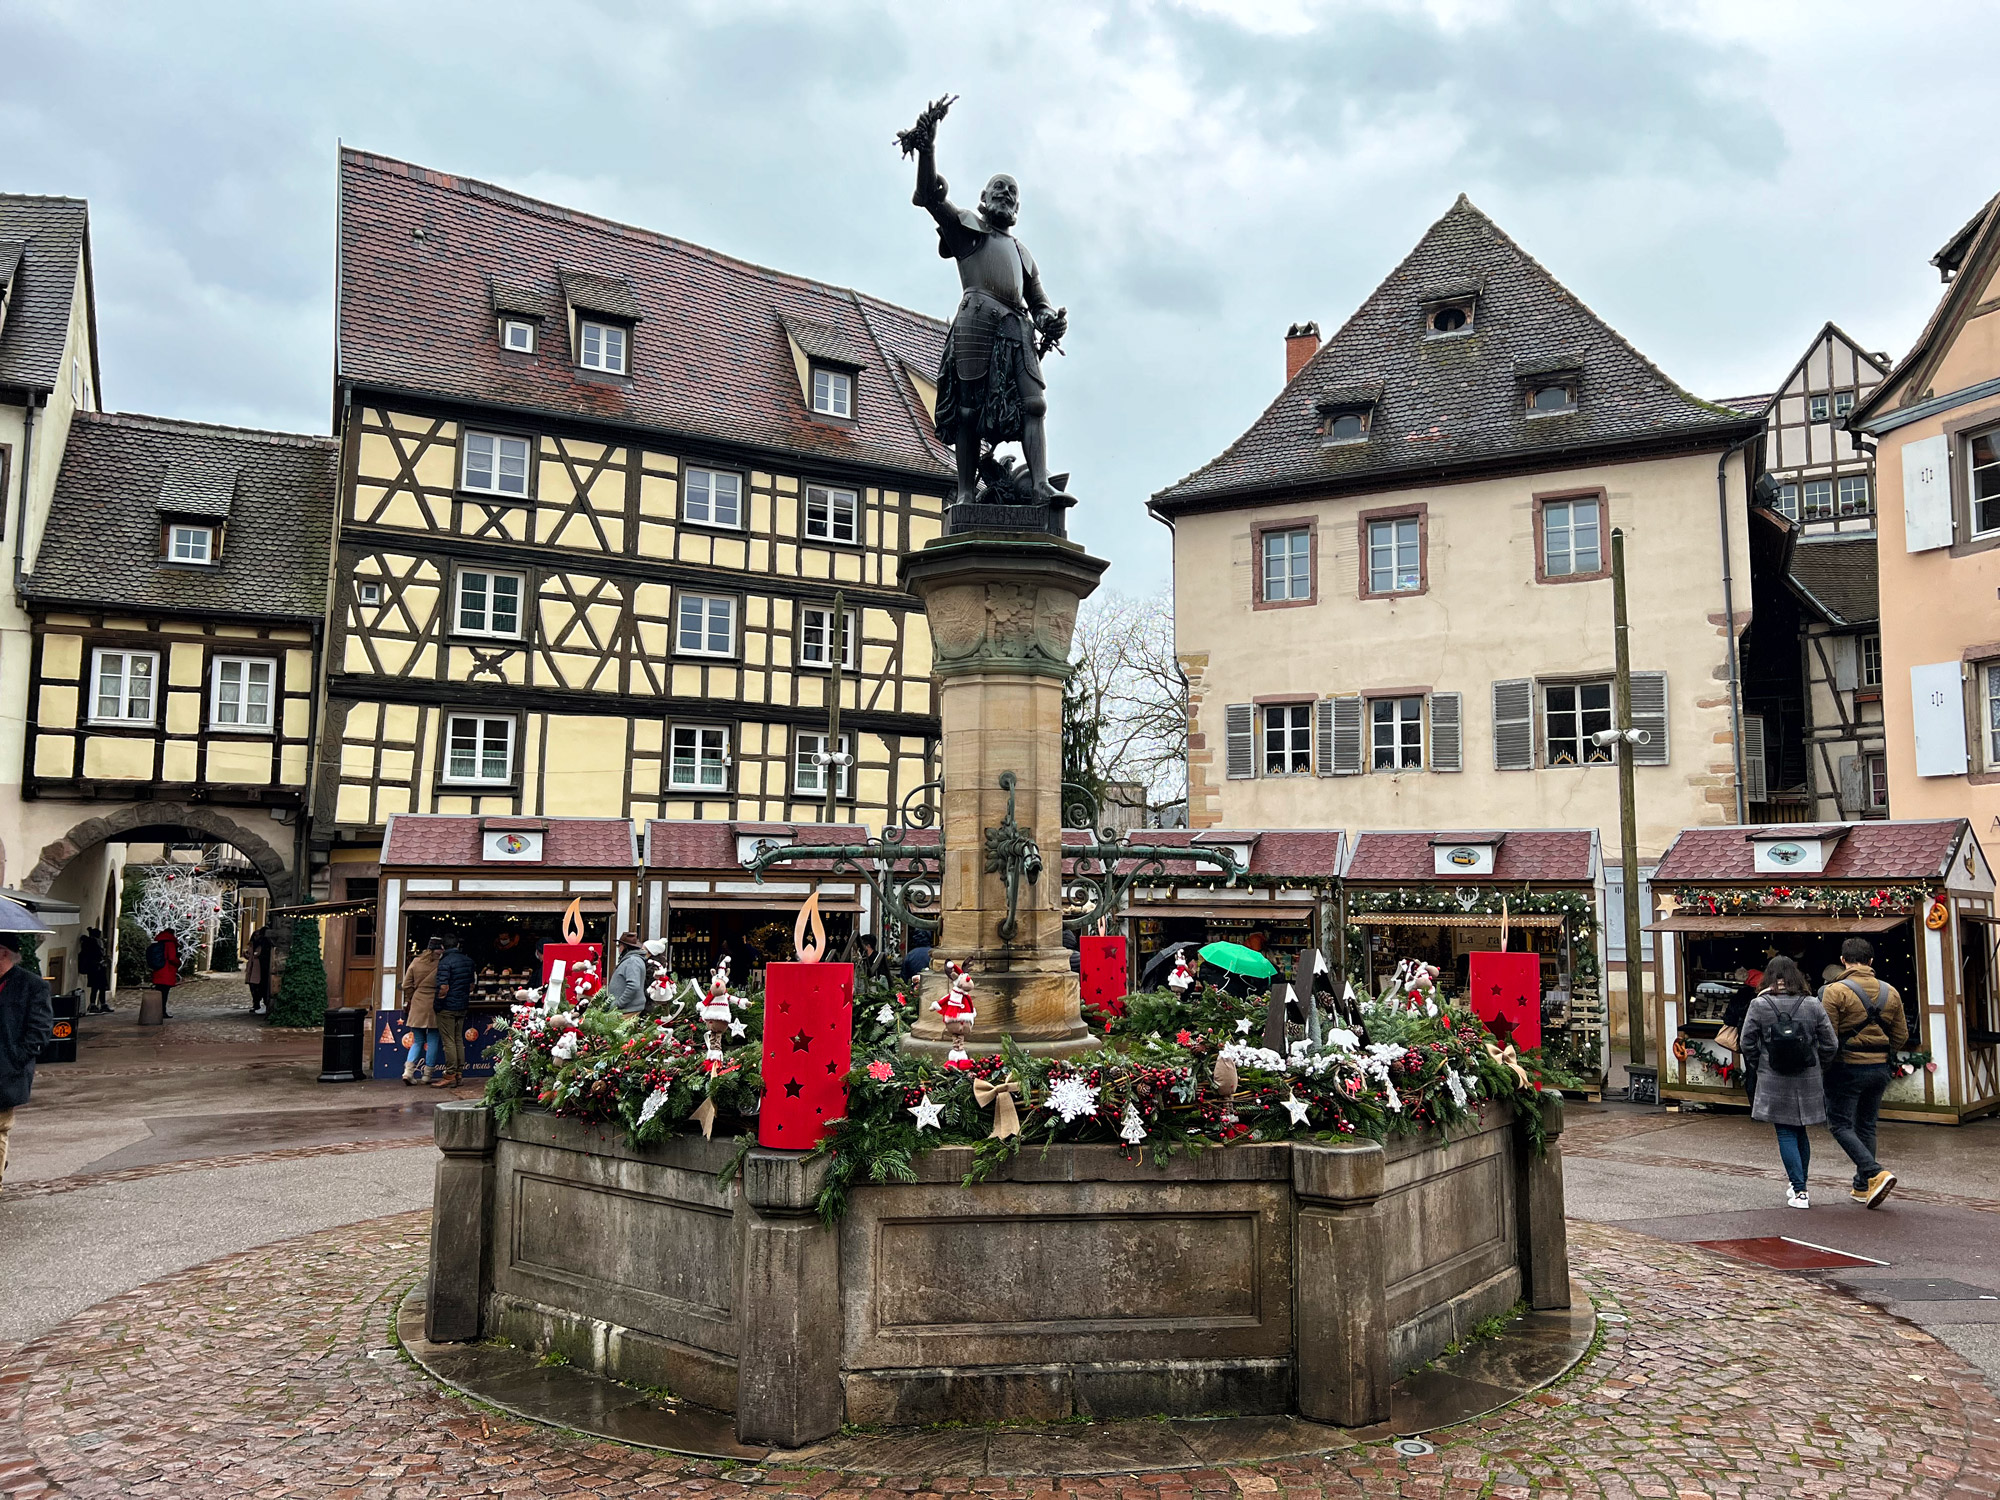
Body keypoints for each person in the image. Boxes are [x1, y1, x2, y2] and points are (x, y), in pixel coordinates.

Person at [1737, 956, 1837, 1208]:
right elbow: (1830, 1043)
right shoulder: (1812, 1004)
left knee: (1785, 1129)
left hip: (1773, 1076)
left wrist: (1758, 1064)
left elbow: (1746, 1042)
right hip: (1807, 1075)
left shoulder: (1759, 1004)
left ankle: (1800, 1190)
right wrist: (1819, 1064)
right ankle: (1799, 1183)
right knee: (1800, 1128)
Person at [1820, 937, 1907, 1207]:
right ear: (1871, 961)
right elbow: (1901, 1035)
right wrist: (1881, 1051)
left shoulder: (1834, 991)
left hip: (1847, 1066)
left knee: (1839, 1124)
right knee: (1867, 1126)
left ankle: (1874, 1171)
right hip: (1879, 1067)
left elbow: (1828, 1037)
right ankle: (1862, 1187)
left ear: (1843, 960)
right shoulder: (1890, 991)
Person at [0, 932, 56, 1195]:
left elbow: (40, 1031)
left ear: (3, 953)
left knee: (0, 1127)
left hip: (7, 1072)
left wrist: (16, 1059)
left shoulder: (31, 985)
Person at [399, 937, 444, 1086]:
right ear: (438, 949)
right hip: (434, 1004)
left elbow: (406, 984)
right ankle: (427, 1075)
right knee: (432, 1041)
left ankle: (408, 1071)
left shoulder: (416, 962)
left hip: (418, 1003)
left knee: (417, 1041)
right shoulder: (441, 964)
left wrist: (412, 996)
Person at [432, 937, 475, 1088]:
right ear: (457, 945)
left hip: (447, 1006)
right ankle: (459, 1073)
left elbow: (443, 987)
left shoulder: (444, 962)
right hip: (462, 1004)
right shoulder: (468, 961)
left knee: (448, 1040)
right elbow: (471, 985)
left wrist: (437, 1004)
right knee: (458, 1039)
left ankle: (450, 1074)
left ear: (443, 946)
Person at [606, 931, 648, 1015]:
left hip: (628, 1009)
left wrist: (619, 1003)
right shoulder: (633, 960)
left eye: (619, 946)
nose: (619, 949)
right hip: (627, 1008)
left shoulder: (632, 961)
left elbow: (633, 986)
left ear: (625, 947)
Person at [148, 929, 180, 1021]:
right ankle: (162, 1011)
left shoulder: (159, 942)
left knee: (160, 992)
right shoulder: (170, 943)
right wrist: (178, 962)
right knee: (164, 993)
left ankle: (158, 1011)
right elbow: (172, 958)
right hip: (166, 971)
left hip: (158, 970)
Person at [77, 927, 111, 1014]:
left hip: (98, 967)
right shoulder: (91, 943)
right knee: (96, 987)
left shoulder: (97, 942)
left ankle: (102, 1004)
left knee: (100, 987)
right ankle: (93, 1005)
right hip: (94, 968)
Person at [243, 925, 274, 1016]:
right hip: (253, 968)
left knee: (258, 986)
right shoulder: (253, 944)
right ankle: (256, 1004)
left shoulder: (263, 943)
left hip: (258, 968)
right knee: (253, 986)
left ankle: (260, 1004)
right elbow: (250, 955)